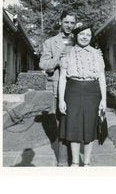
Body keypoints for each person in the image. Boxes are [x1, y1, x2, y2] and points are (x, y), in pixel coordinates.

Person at [58, 23, 106, 167]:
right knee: (74, 126)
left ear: (91, 37)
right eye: (82, 34)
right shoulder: (67, 53)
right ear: (76, 35)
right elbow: (62, 78)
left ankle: (87, 163)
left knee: (90, 127)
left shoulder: (97, 54)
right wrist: (61, 100)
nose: (85, 37)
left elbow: (102, 77)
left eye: (88, 35)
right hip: (72, 91)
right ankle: (74, 162)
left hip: (92, 92)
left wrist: (104, 99)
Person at [39, 11, 77, 166]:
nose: (69, 25)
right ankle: (62, 160)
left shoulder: (80, 39)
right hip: (58, 89)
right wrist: (57, 58)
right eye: (66, 22)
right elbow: (43, 64)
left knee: (75, 124)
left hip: (77, 88)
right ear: (60, 21)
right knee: (61, 123)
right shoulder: (50, 42)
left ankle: (74, 159)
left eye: (72, 23)